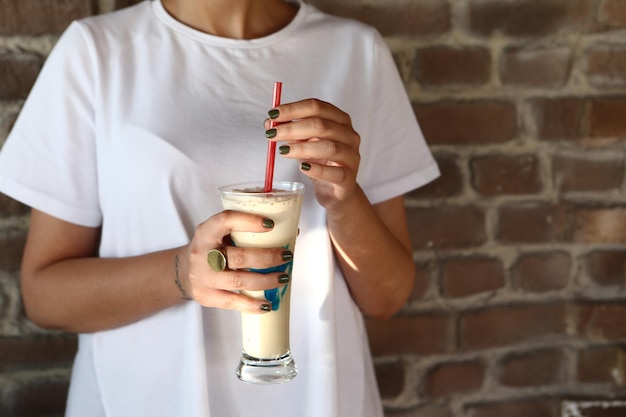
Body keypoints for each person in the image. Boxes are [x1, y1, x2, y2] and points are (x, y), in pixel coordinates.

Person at [0, 0, 439, 415]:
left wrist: (344, 199)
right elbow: (44, 296)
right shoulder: (98, 51)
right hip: (144, 399)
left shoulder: (356, 51)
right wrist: (181, 273)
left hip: (317, 398)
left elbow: (387, 296)